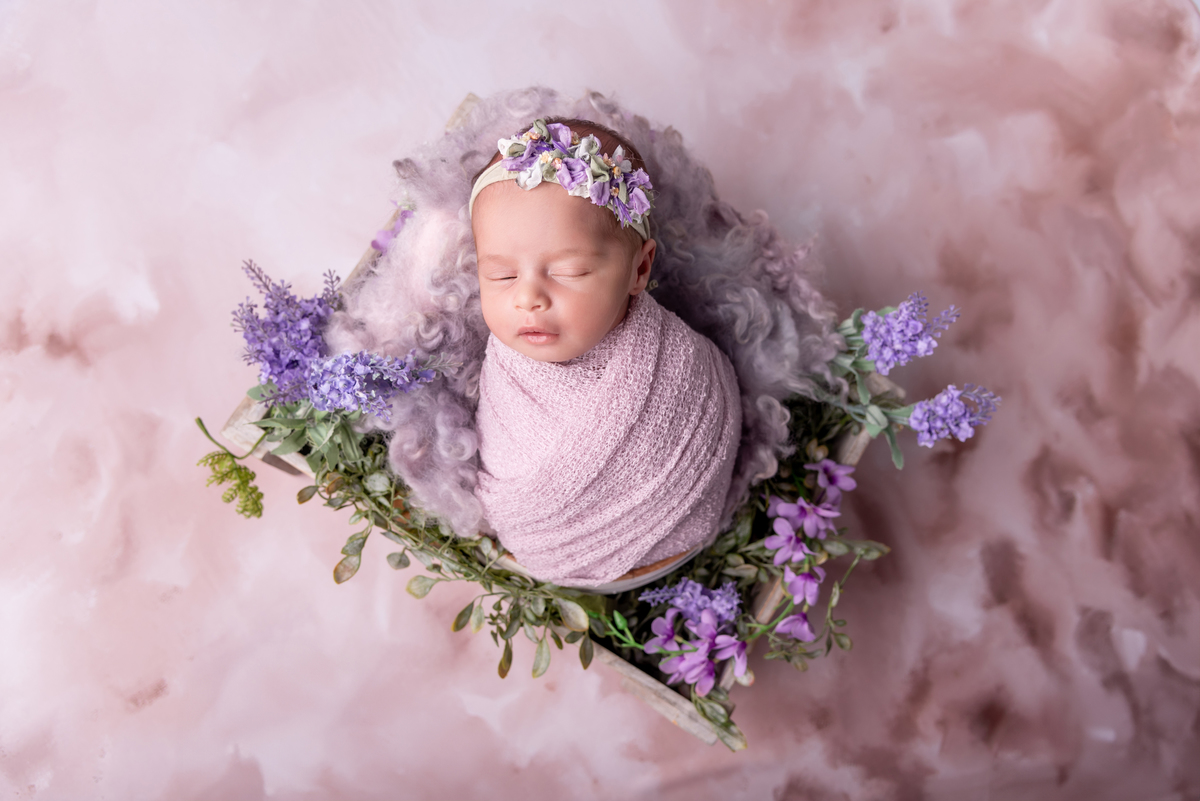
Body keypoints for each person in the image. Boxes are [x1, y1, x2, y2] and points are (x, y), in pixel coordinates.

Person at [468, 117, 743, 588]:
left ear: (640, 269)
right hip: (543, 553)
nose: (527, 298)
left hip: (664, 554)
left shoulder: (681, 366)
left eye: (570, 271)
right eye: (501, 276)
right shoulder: (504, 372)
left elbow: (716, 426)